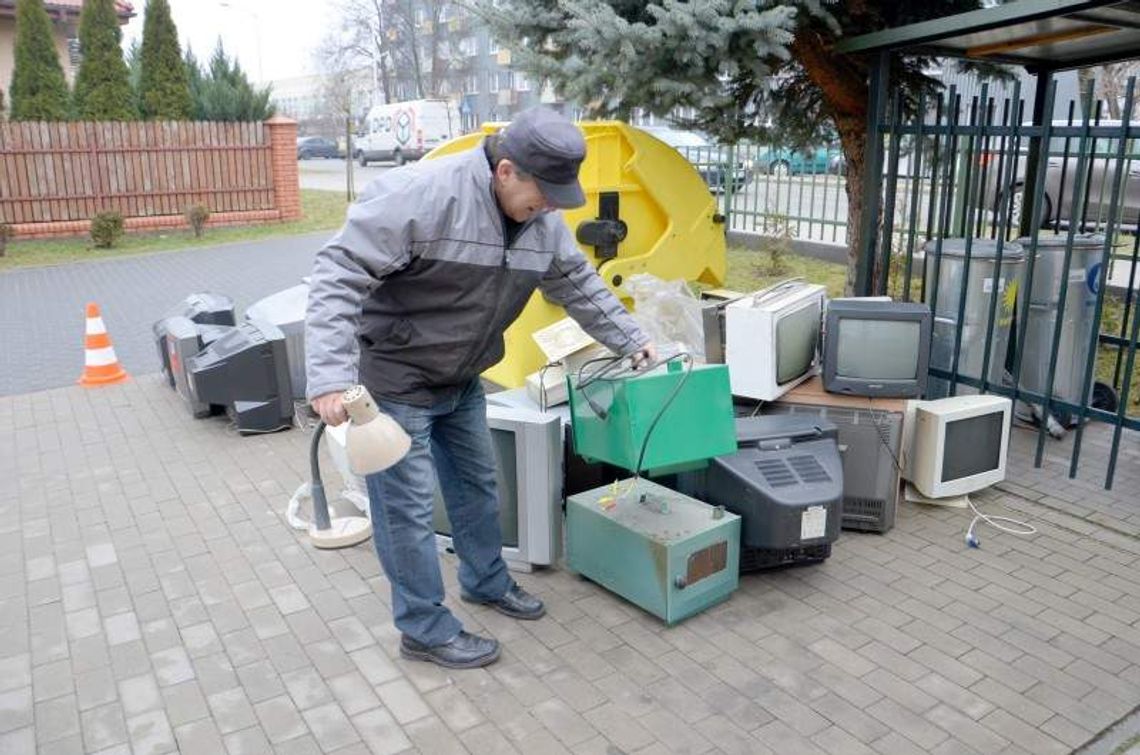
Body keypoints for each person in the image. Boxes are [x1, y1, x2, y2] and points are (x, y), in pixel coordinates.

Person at [305, 106, 655, 669]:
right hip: (395, 384)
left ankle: (486, 581)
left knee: (477, 488)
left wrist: (630, 339)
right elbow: (338, 272)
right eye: (543, 191)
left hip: (463, 376)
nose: (550, 207)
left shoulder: (541, 221)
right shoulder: (423, 195)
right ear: (507, 171)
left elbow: (577, 283)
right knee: (408, 512)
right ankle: (423, 628)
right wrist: (328, 375)